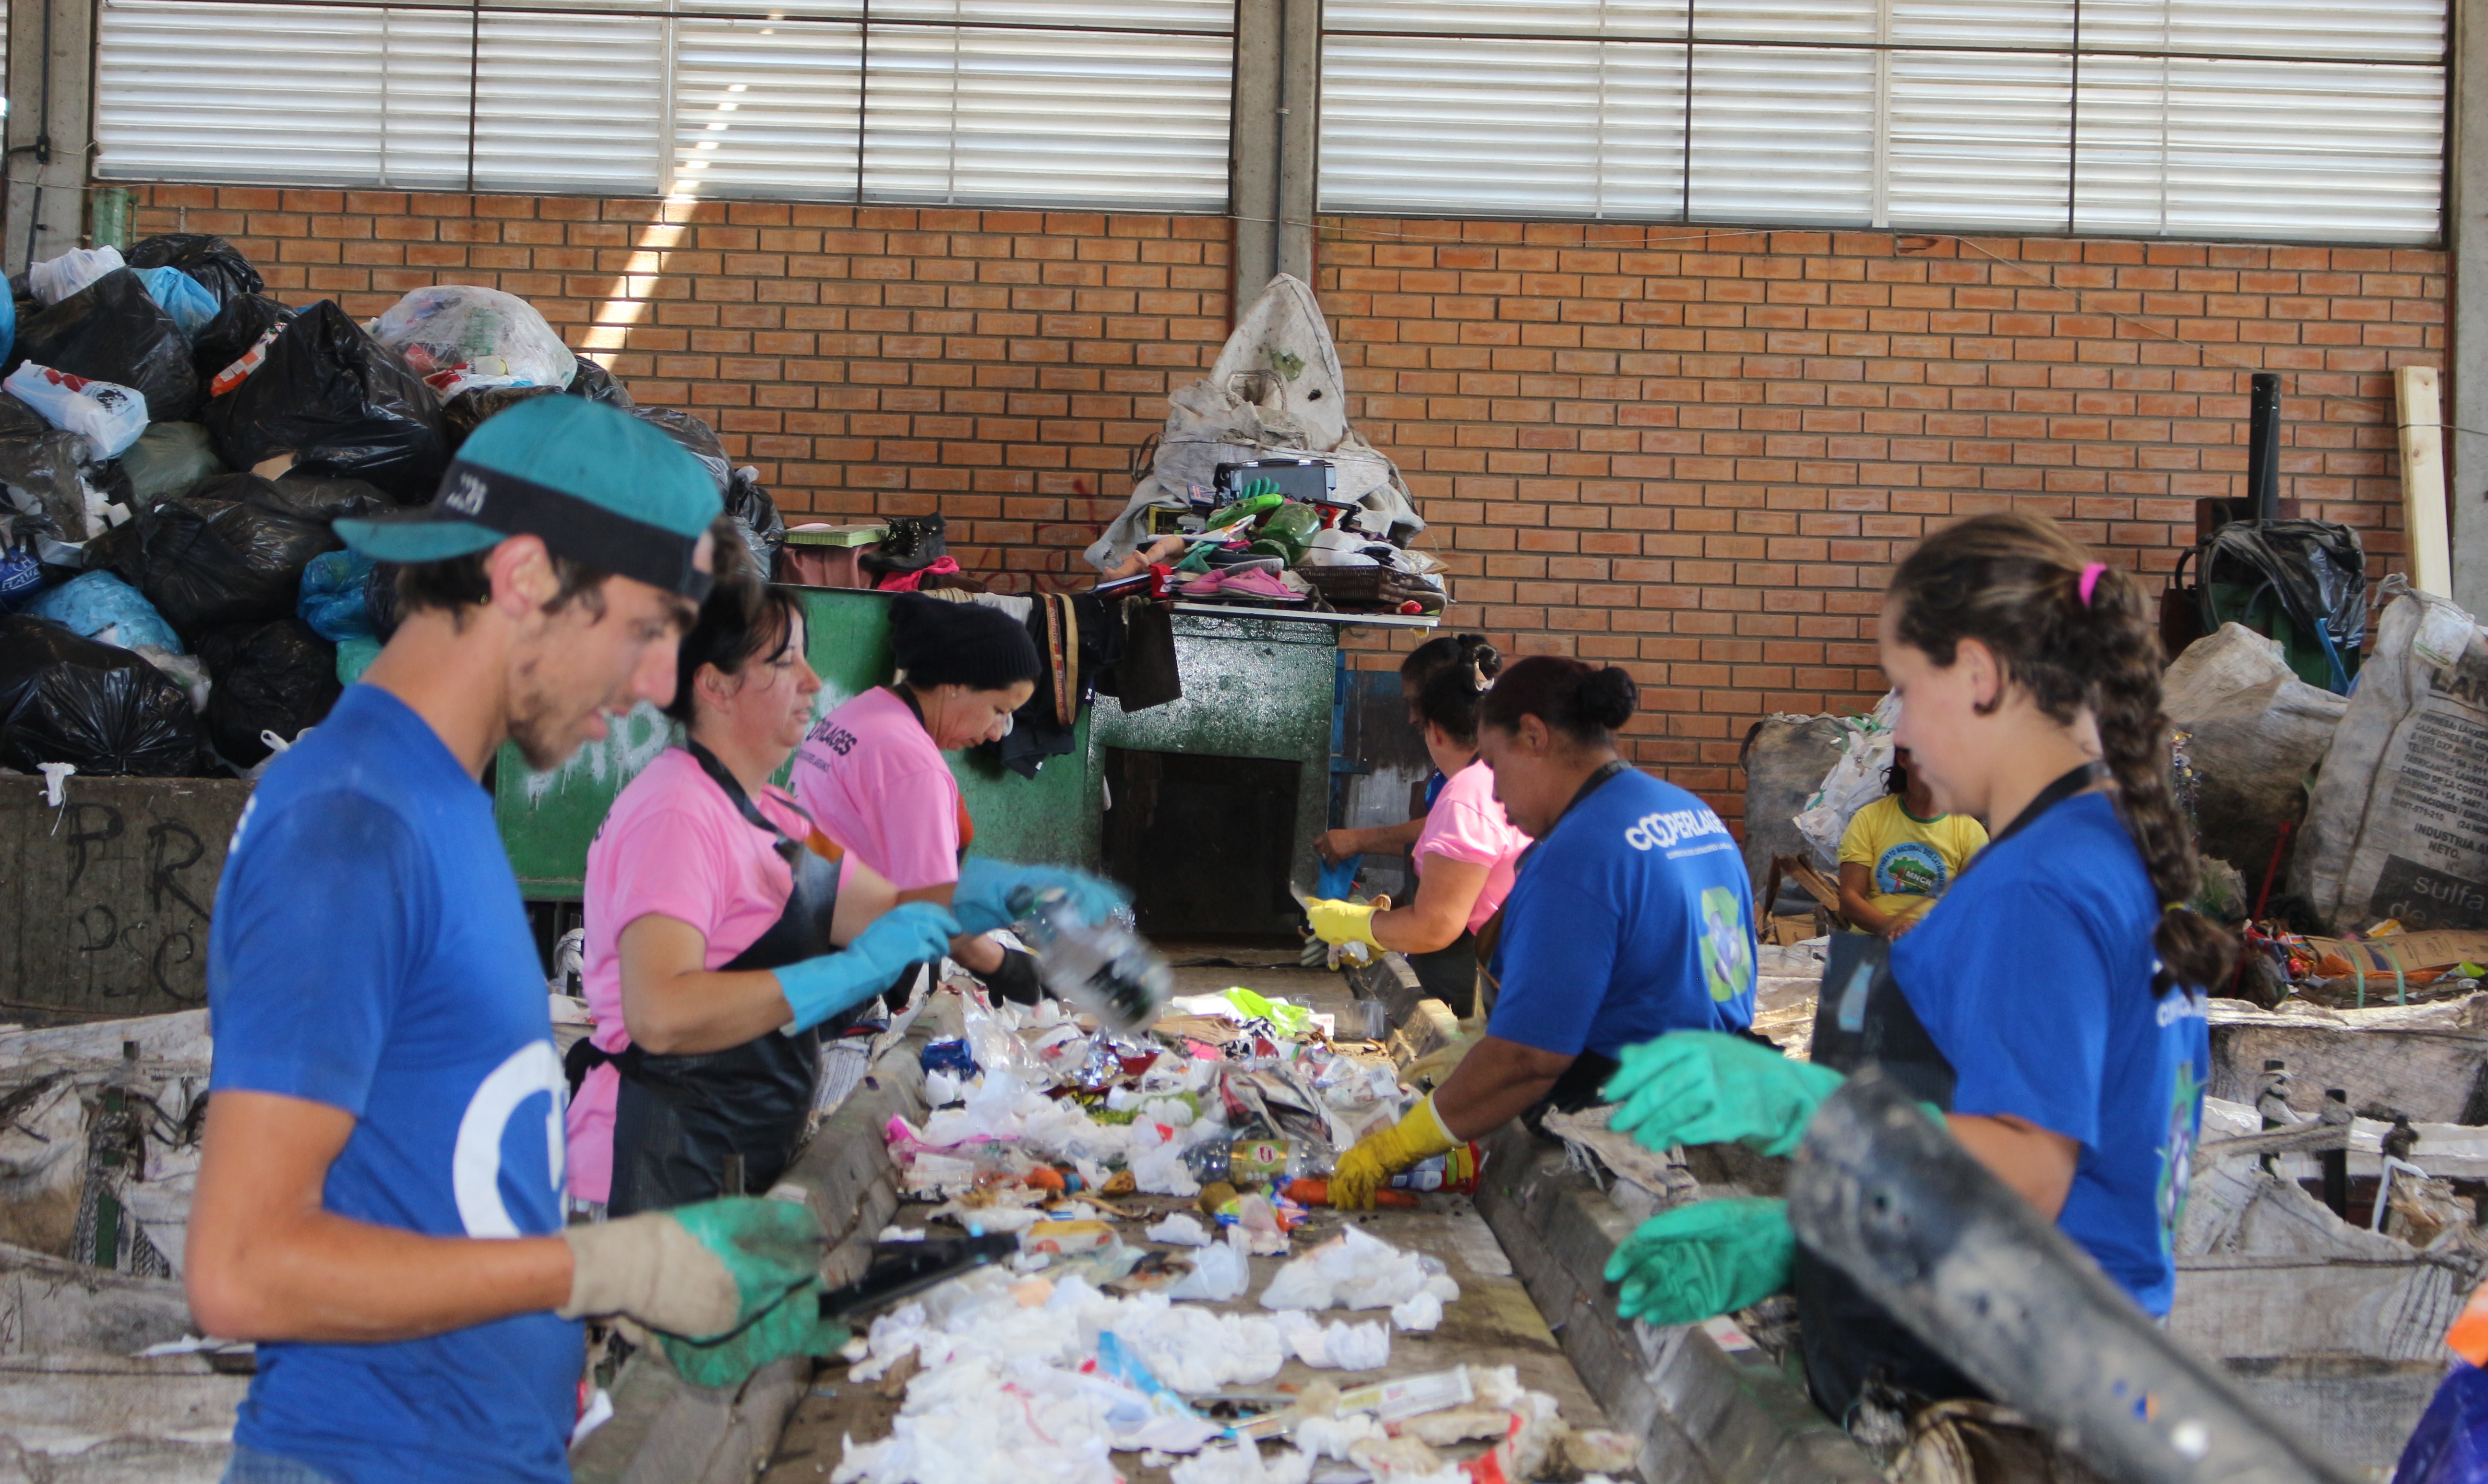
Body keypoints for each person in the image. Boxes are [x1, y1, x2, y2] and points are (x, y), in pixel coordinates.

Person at [188, 397, 848, 1484]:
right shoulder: (353, 823)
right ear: (526, 576)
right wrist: (598, 1265)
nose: (656, 686)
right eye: (646, 629)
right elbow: (243, 1268)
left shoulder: (438, 799)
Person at [1599, 513, 2233, 1422]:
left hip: (2004, 1384)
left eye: (1903, 688)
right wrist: (1808, 1240)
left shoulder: (2037, 886)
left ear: (1978, 676)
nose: (1895, 729)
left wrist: (1807, 1110)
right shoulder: (2101, 843)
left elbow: (2027, 1170)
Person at [565, 571, 961, 1219]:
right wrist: (830, 980)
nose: (813, 680)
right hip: (652, 1173)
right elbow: (660, 1013)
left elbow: (890, 908)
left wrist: (1007, 931)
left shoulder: (778, 814)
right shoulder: (678, 815)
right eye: (784, 662)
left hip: (732, 1157)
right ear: (715, 684)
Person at [1327, 657, 1759, 1208]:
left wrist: (1402, 1141)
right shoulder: (1689, 809)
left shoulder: (1575, 855)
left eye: (1494, 765)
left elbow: (1530, 1058)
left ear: (1534, 736)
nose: (1497, 796)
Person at [790, 591, 1120, 1004]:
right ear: (955, 686)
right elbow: (928, 911)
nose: (998, 733)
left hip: (798, 936)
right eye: (999, 709)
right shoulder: (914, 765)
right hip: (834, 971)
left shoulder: (859, 713)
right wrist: (1003, 965)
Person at [1302, 637, 1528, 1015]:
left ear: (1434, 730)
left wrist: (1356, 923)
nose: (1411, 720)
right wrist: (1387, 921)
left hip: (1502, 987)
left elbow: (1435, 927)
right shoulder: (1508, 776)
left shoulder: (1465, 796)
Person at [1311, 633, 1488, 874]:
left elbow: (1452, 826)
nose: (1412, 718)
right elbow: (1431, 847)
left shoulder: (1482, 780)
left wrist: (1359, 840)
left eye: (1414, 703)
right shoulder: (1446, 773)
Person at [1836, 745, 1988, 938]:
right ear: (1903, 760)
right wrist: (1896, 927)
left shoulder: (1970, 832)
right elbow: (1850, 900)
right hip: (1873, 941)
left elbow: (1978, 907)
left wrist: (1929, 934)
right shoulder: (1869, 819)